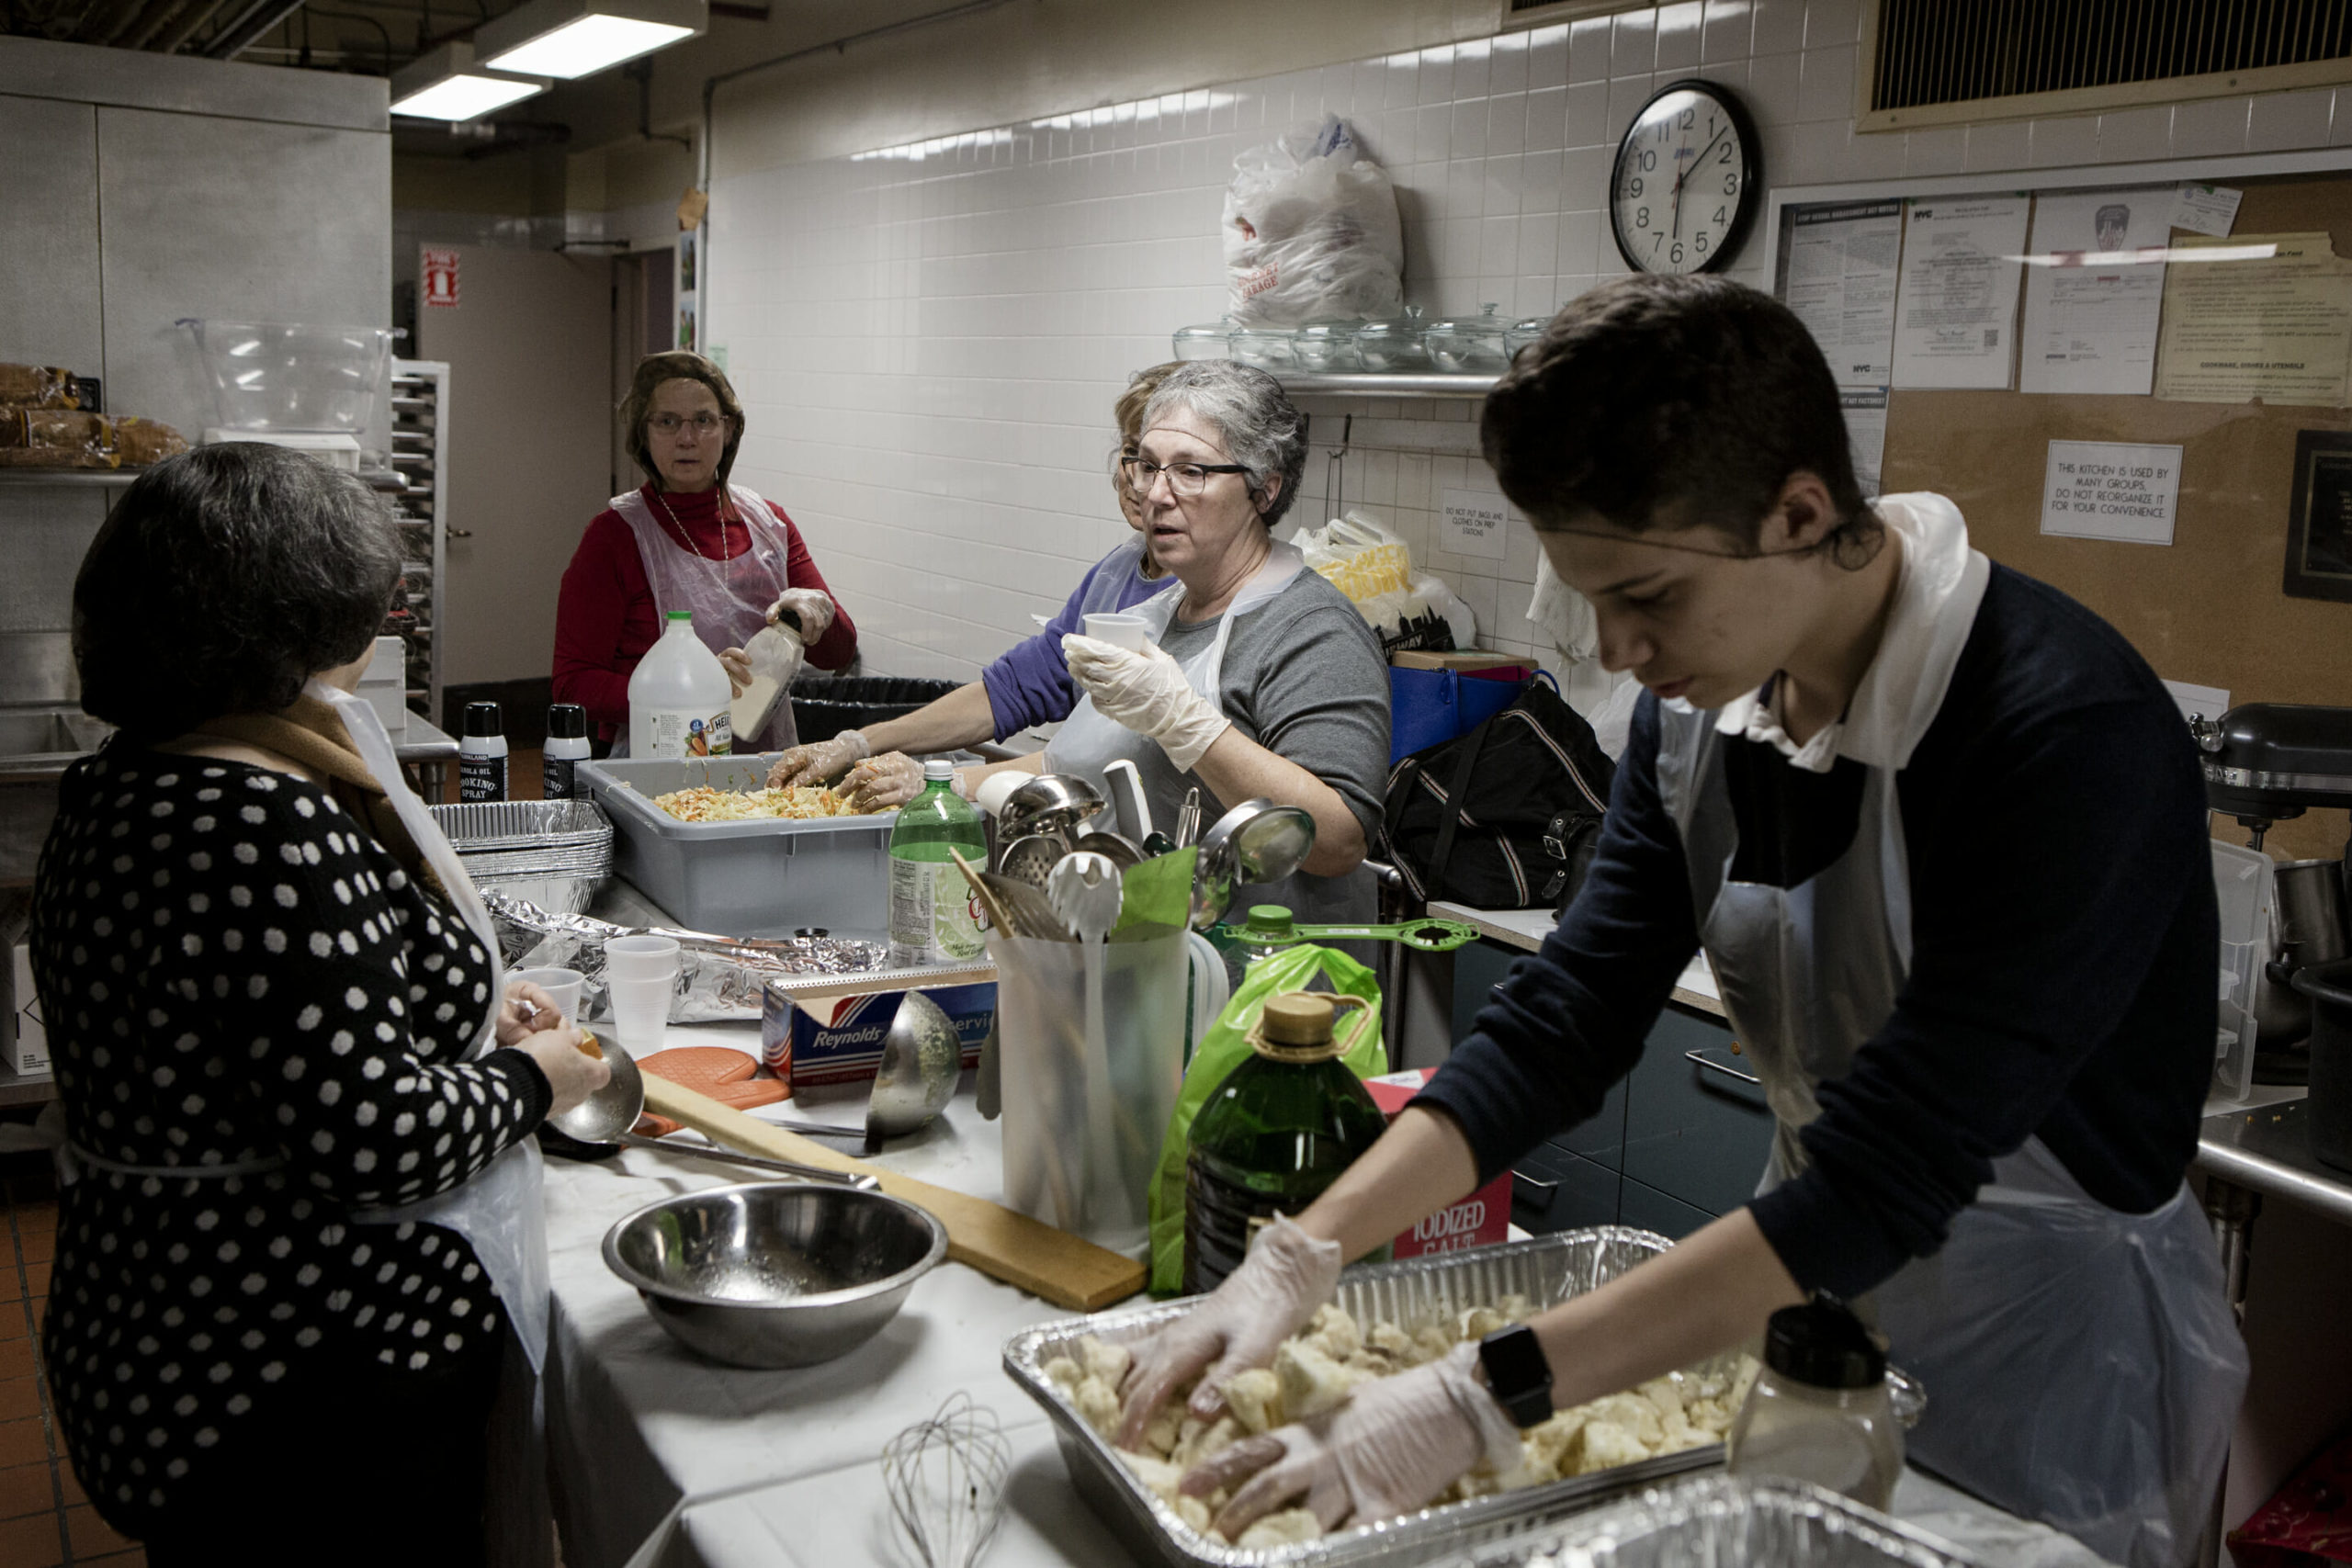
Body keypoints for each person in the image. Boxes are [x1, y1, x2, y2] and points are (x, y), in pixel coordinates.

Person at [1117, 278, 2246, 1568]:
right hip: (1797, 1299)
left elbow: (1890, 1171)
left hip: (2049, 1370)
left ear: (1801, 514)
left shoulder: (2060, 735)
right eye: (1590, 597)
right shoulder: (1709, 701)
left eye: (1647, 595)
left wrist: (1478, 1392)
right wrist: (1299, 1255)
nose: (1621, 649)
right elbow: (1572, 1011)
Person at [31, 446, 610, 1564]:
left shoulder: (136, 776)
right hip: (292, 1383)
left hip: (161, 1327)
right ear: (292, 629)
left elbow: (257, 1019)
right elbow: (373, 1142)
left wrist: (453, 1011)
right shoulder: (255, 819)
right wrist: (539, 1079)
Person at [766, 363, 1182, 808]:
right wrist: (860, 743)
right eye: (1135, 458)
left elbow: (1105, 753)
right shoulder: (1116, 573)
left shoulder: (1198, 593)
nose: (1148, 486)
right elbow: (1012, 690)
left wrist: (942, 782)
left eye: (1175, 469)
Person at [553, 352, 857, 753]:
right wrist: (685, 688)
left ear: (728, 429)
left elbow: (839, 652)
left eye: (703, 420)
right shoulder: (614, 538)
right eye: (667, 422)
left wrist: (818, 612)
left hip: (766, 768)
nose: (687, 438)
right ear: (643, 434)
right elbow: (572, 684)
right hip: (657, 769)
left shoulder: (770, 525)